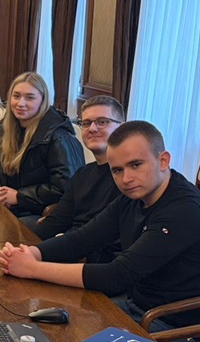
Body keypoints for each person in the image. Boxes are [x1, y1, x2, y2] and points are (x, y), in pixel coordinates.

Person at [0, 120, 200, 342]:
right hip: (141, 313)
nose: (126, 178)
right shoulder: (134, 198)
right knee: (49, 333)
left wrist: (33, 269)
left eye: (136, 165)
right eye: (117, 170)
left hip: (185, 338)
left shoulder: (184, 210)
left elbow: (117, 275)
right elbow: (83, 238)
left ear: (163, 161)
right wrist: (33, 253)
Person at [27, 95, 126, 262]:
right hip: (68, 249)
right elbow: (57, 221)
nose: (92, 128)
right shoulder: (83, 174)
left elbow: (106, 236)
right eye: (86, 123)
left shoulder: (128, 178)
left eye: (102, 122)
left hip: (96, 262)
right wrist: (22, 245)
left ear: (122, 128)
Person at [0, 72, 83, 218]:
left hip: (45, 214)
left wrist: (19, 196)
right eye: (16, 96)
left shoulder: (58, 136)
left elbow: (65, 188)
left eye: (30, 98)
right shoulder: (4, 129)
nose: (20, 103)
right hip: (15, 207)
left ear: (43, 100)